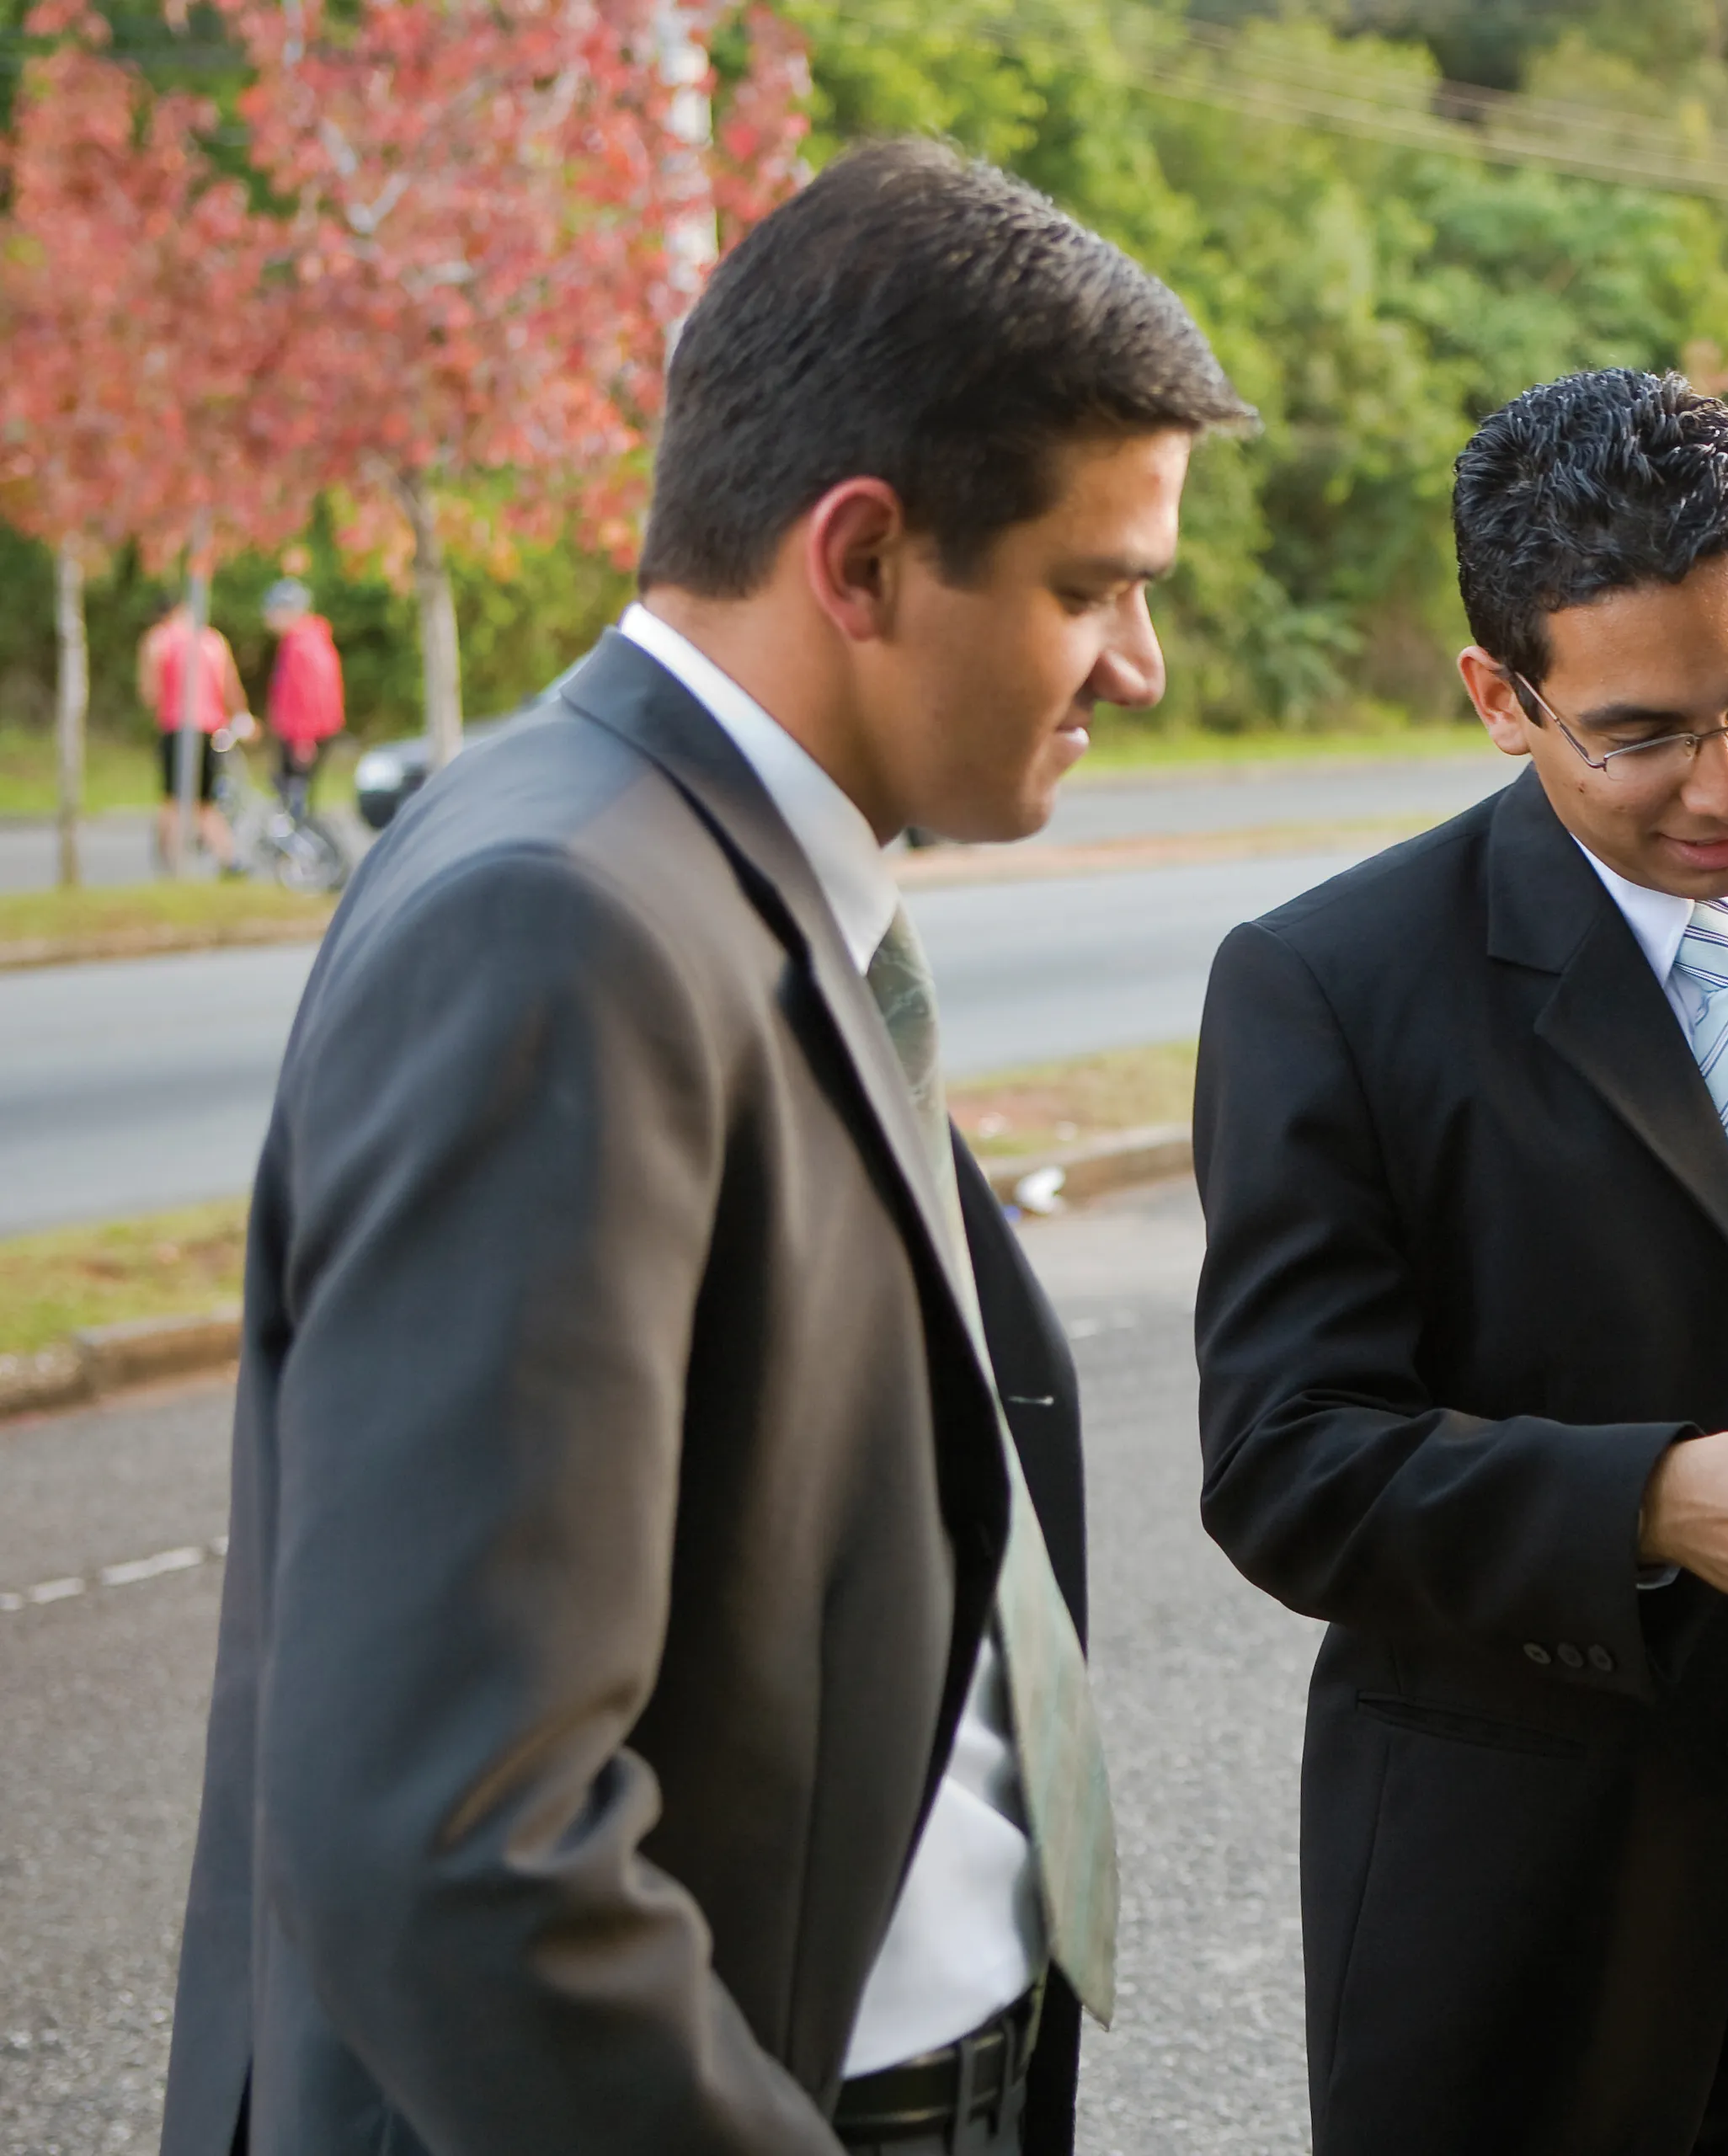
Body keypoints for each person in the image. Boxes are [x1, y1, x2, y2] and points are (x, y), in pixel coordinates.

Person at [161, 140, 1249, 2156]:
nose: (1137, 663)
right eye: (1089, 587)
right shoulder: (561, 922)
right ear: (861, 559)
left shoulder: (692, 859)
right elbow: (451, 1835)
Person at [1192, 368, 1728, 2155]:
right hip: (1554, 1935)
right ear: (1499, 700)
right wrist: (1651, 1501)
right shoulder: (1336, 988)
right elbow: (1286, 1463)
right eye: (1642, 734)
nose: (1726, 786)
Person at [138, 596, 245, 871]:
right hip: (210, 728)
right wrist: (240, 716)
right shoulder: (213, 640)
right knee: (205, 801)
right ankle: (229, 858)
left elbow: (150, 692)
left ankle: (171, 862)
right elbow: (230, 686)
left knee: (172, 799)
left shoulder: (158, 640)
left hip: (176, 725)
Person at [259, 577, 344, 819]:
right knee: (291, 796)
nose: (268, 617)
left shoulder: (302, 645)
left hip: (304, 735)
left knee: (295, 800)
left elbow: (311, 693)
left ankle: (301, 840)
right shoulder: (305, 640)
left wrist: (303, 739)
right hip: (301, 733)